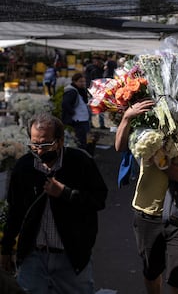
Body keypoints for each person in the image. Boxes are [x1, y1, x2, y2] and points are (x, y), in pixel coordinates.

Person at [114, 86, 178, 294]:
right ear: (177, 105)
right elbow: (120, 147)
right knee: (151, 270)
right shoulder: (154, 125)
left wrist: (160, 159)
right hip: (146, 212)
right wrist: (127, 118)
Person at [0, 113, 108, 293]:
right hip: (33, 258)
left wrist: (65, 193)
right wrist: (6, 248)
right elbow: (15, 211)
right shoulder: (24, 167)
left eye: (45, 144)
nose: (40, 150)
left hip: (71, 259)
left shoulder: (80, 162)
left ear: (59, 141)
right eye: (35, 144)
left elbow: (99, 200)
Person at [61, 73, 91, 151]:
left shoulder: (80, 90)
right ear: (74, 81)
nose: (83, 83)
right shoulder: (72, 91)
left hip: (83, 119)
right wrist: (72, 112)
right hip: (78, 120)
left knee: (84, 140)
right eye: (80, 82)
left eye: (84, 82)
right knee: (80, 141)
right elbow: (65, 103)